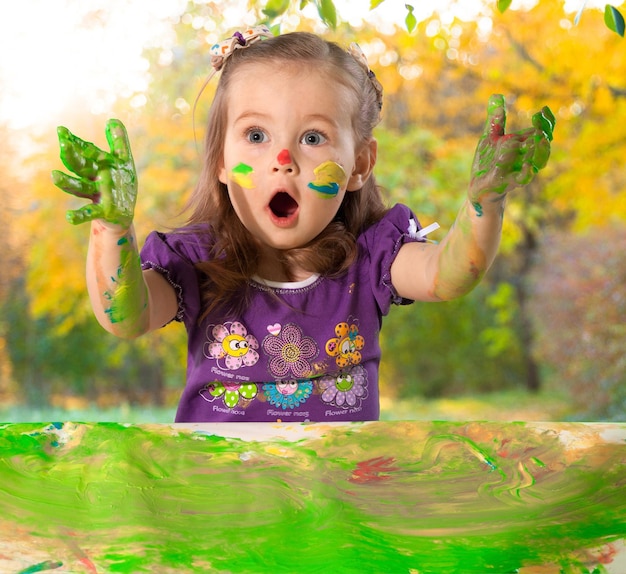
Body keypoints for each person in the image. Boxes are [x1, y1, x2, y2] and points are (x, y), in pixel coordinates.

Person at [51, 26, 554, 423]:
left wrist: (484, 202)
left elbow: (450, 274)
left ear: (359, 164)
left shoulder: (374, 255)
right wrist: (110, 229)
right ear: (221, 161)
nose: (283, 159)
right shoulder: (195, 260)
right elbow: (125, 318)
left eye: (313, 138)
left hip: (336, 510)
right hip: (220, 504)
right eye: (255, 134)